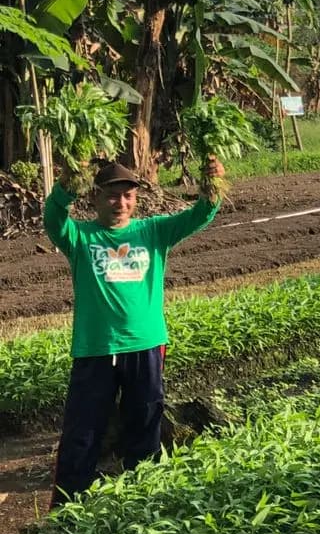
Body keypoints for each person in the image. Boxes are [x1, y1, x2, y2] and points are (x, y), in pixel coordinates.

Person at [46, 158, 225, 506]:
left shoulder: (154, 232)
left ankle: (142, 500)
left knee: (144, 425)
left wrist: (213, 184)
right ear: (95, 198)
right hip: (96, 348)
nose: (121, 203)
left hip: (146, 345)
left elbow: (200, 215)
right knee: (82, 431)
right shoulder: (80, 237)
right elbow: (53, 220)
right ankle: (68, 508)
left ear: (136, 199)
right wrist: (66, 186)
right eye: (113, 196)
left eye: (128, 196)